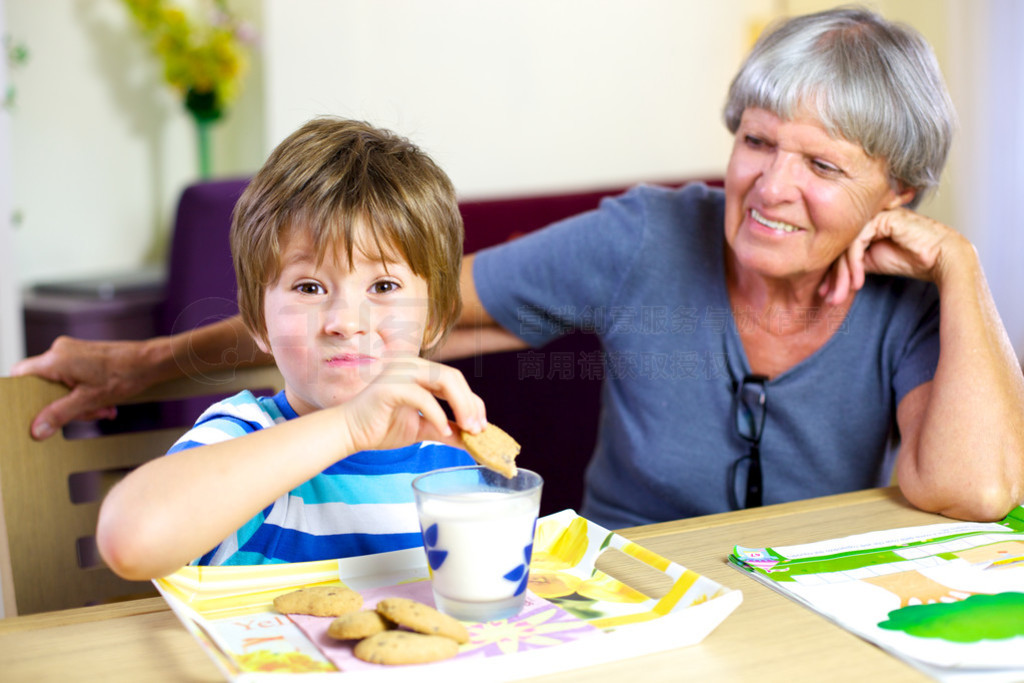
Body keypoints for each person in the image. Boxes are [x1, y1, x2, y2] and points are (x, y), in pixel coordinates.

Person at [17, 8, 1024, 530]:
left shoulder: (915, 294)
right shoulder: (646, 238)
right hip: (633, 586)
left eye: (821, 165)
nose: (768, 185)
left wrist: (963, 271)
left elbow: (973, 488)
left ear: (896, 195)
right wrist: (143, 362)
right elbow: (391, 309)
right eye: (757, 140)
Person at [93, 117, 487, 580]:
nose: (345, 322)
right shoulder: (242, 436)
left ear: (436, 316)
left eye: (383, 284)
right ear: (259, 320)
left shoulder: (453, 462)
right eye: (309, 287)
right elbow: (131, 539)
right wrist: (349, 428)